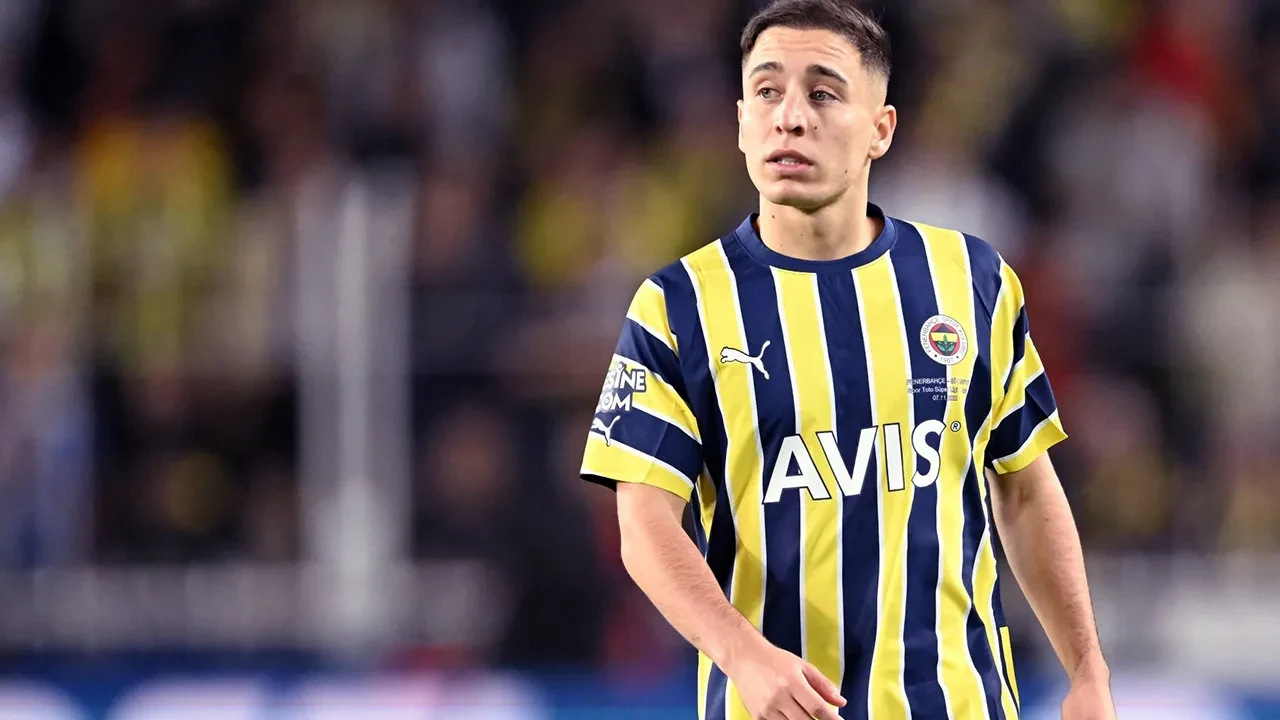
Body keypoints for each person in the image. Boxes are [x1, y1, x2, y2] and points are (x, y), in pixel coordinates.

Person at [579, 1, 1116, 718]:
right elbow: (645, 525)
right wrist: (743, 654)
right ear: (741, 122)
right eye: (767, 91)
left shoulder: (970, 280)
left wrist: (1086, 669)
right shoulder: (680, 305)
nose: (789, 117)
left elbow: (1023, 487)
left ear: (880, 130)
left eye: (823, 93)